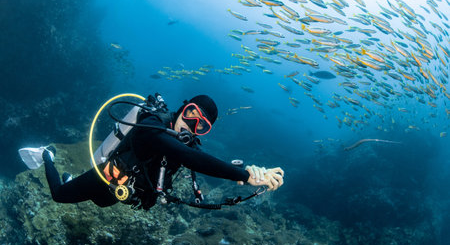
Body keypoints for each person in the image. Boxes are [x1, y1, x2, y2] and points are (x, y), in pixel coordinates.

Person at [28, 95, 284, 210]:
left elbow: (208, 162)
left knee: (101, 203)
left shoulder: (188, 144)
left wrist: (247, 174)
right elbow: (191, 158)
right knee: (60, 196)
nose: (192, 125)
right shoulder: (151, 124)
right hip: (107, 176)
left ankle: (71, 180)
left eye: (202, 125)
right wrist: (242, 174)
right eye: (191, 114)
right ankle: (47, 155)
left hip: (123, 192)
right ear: (183, 107)